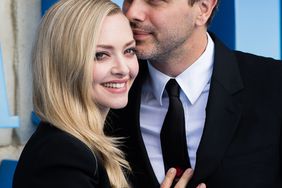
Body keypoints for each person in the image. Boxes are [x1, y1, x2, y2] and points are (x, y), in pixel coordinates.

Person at [13, 0, 204, 187]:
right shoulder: (62, 156)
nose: (123, 69)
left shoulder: (80, 145)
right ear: (64, 64)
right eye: (101, 55)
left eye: (129, 51)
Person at [106, 0, 282, 187]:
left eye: (154, 1)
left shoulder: (274, 84)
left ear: (203, 8)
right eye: (129, 0)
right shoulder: (100, 92)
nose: (131, 13)